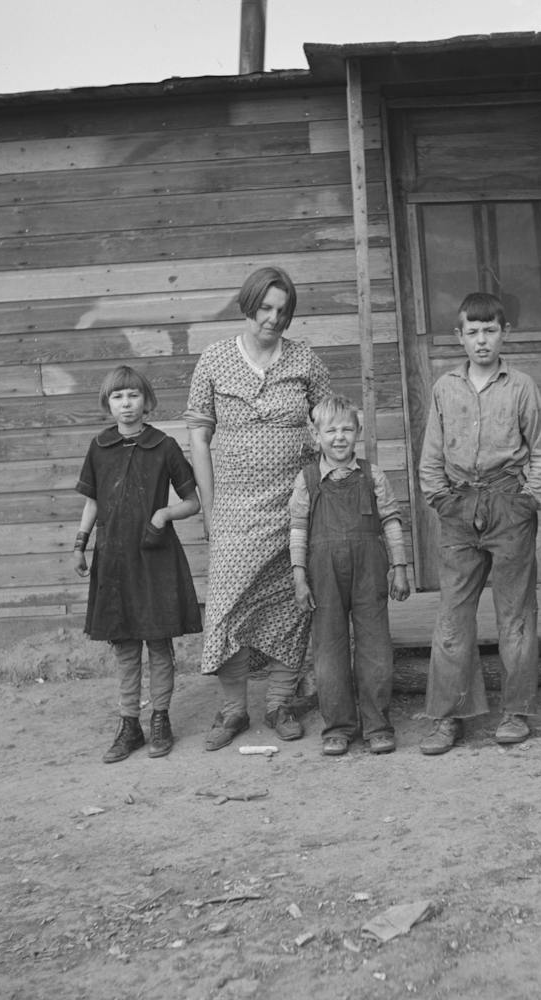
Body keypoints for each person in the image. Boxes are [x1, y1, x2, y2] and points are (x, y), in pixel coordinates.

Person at [185, 266, 331, 750]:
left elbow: (330, 427)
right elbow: (199, 435)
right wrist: (209, 506)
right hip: (233, 507)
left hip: (293, 506)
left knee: (293, 603)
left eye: (282, 310)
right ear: (249, 305)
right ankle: (232, 711)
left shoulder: (305, 362)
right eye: (265, 307)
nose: (273, 318)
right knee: (226, 606)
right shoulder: (215, 359)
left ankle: (280, 703)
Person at [418, 291, 541, 755]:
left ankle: (516, 712)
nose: (482, 341)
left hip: (507, 504)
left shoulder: (521, 386)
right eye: (472, 332)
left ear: (505, 334)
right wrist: (441, 500)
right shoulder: (444, 388)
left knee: (515, 614)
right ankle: (447, 716)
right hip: (459, 507)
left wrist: (527, 501)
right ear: (459, 337)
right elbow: (431, 455)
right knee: (453, 618)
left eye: (490, 331)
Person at [73, 365, 203, 763]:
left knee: (158, 643)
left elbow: (193, 501)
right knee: (125, 646)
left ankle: (161, 719)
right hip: (113, 561)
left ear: (147, 401)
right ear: (107, 404)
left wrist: (163, 515)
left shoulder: (164, 446)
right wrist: (80, 543)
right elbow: (93, 502)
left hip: (154, 557)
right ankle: (130, 724)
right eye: (117, 397)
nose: (126, 404)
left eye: (133, 396)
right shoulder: (99, 447)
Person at [288, 394, 411, 756]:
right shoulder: (308, 479)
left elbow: (390, 521)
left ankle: (377, 725)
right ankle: (338, 726)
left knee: (375, 648)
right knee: (329, 650)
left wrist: (400, 568)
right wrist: (299, 577)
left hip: (369, 572)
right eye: (331, 430)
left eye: (346, 429)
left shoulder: (373, 475)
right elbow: (297, 529)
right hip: (323, 574)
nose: (339, 437)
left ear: (357, 432)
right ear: (317, 436)